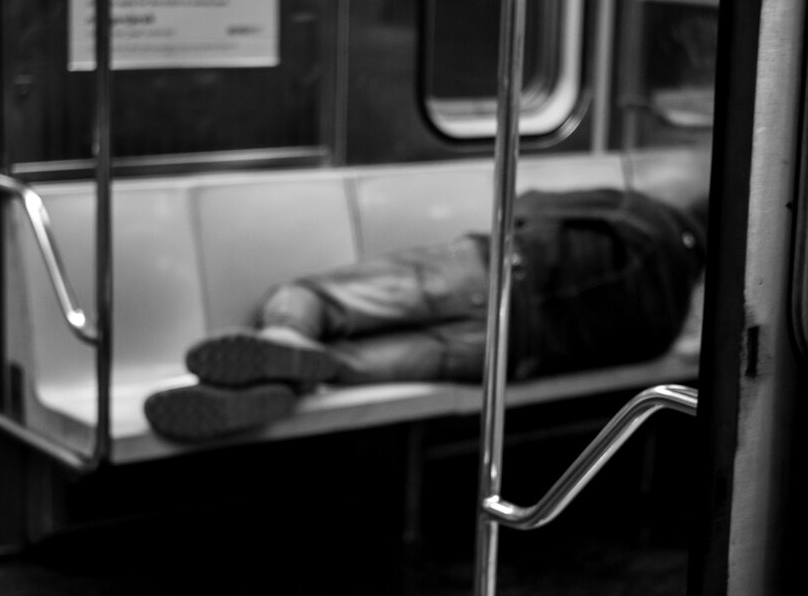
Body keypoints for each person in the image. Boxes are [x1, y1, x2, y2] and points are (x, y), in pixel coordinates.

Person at [143, 166, 710, 443]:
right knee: (360, 365)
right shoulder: (670, 317)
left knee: (313, 298)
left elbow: (531, 204)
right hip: (511, 351)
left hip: (489, 269)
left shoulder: (640, 212)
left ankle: (287, 342)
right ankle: (302, 377)